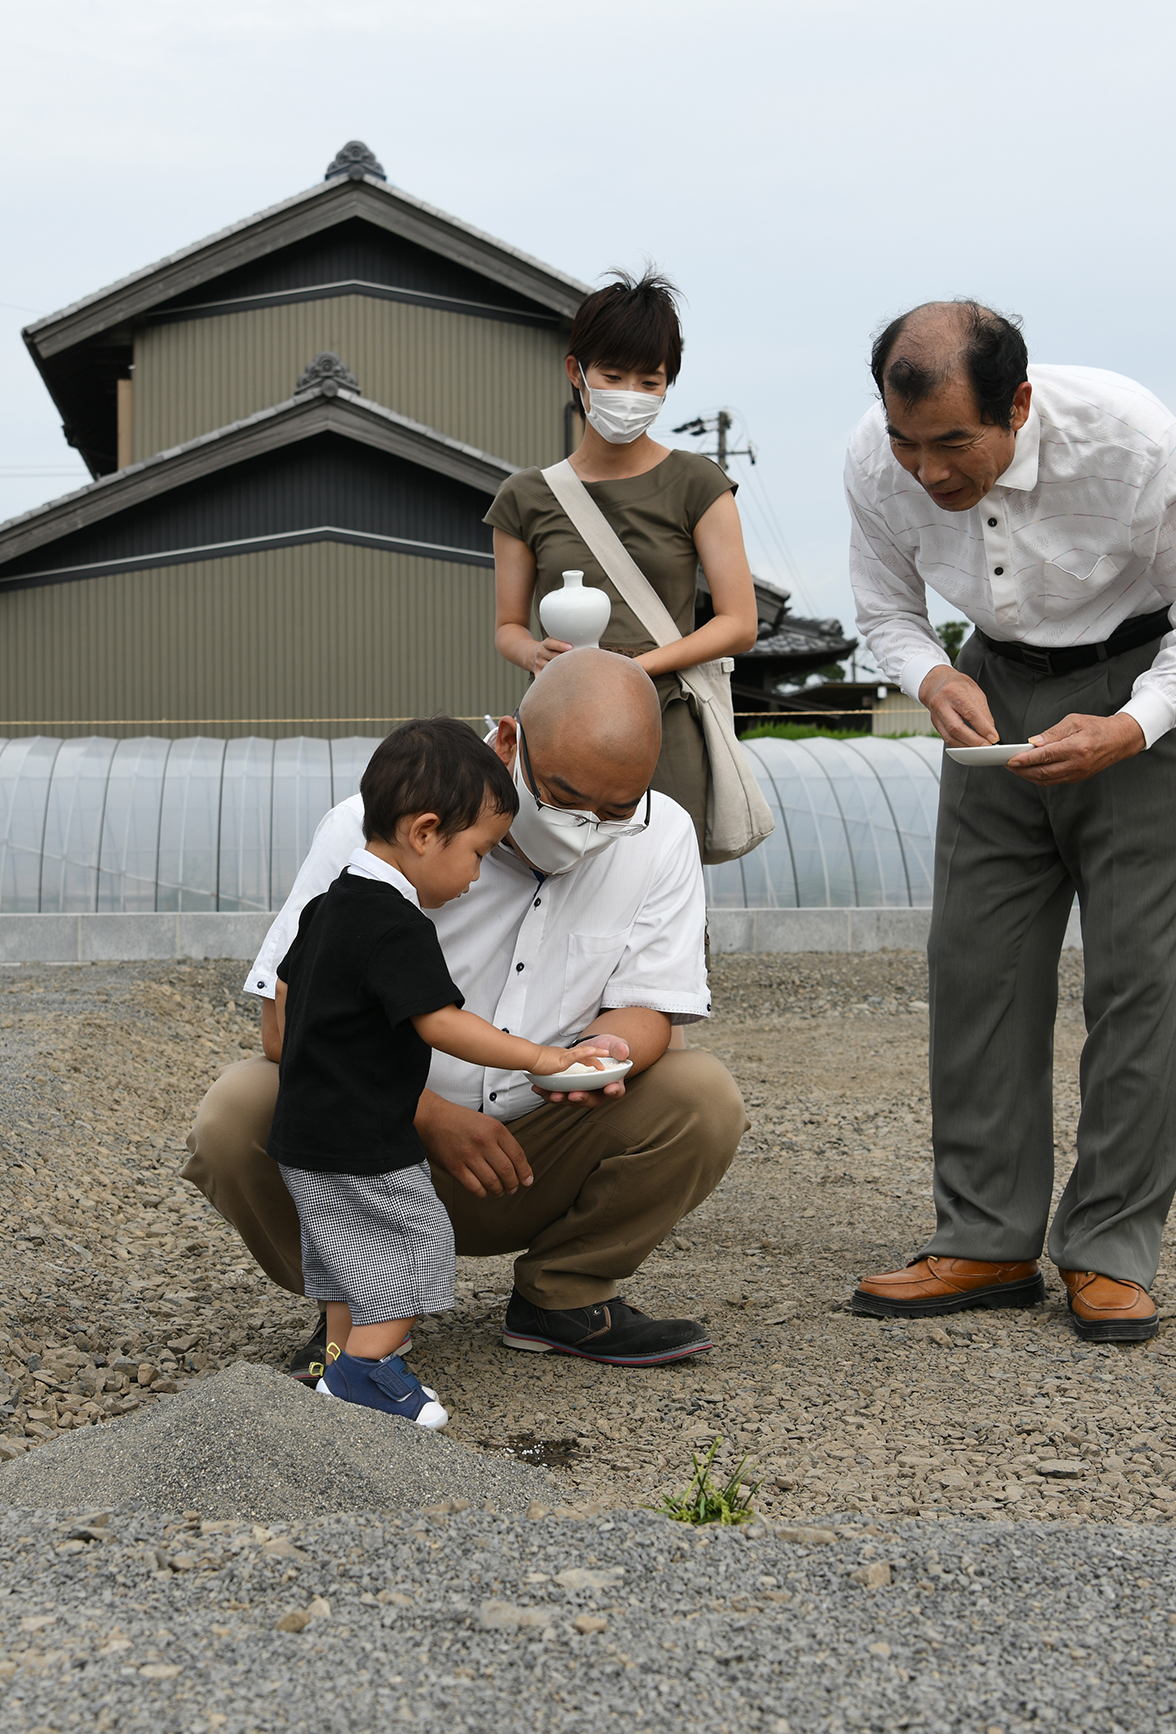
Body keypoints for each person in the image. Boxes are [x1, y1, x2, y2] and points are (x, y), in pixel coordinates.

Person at [844, 301, 1176, 1343]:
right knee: (974, 964)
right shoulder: (874, 457)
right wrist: (929, 672)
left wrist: (1132, 726)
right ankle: (982, 1235)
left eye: (950, 443)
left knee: (1133, 980)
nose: (925, 472)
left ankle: (1109, 1248)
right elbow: (884, 607)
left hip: (1137, 691)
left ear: (1016, 404)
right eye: (904, 441)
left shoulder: (1129, 438)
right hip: (990, 687)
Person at [182, 649, 747, 1374]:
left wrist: (603, 1053)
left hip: (543, 1141)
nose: (586, 829)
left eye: (615, 812)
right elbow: (285, 1023)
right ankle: (359, 1315)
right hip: (377, 1142)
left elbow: (651, 1004)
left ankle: (564, 1293)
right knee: (238, 1111)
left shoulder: (661, 833)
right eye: (566, 797)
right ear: (510, 744)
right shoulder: (372, 832)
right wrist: (427, 1115)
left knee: (701, 1096)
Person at [269, 716, 625, 1427]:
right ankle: (369, 1374)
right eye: (477, 852)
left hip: (306, 1135)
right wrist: (543, 1056)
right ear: (425, 832)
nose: (473, 875)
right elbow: (443, 1023)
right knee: (413, 1245)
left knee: (345, 1263)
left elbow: (285, 999)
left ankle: (336, 1375)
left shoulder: (327, 907)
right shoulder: (395, 924)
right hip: (365, 1139)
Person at [489, 270, 761, 862]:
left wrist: (636, 668)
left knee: (661, 893)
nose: (630, 393)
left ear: (668, 385)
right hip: (559, 723)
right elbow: (508, 627)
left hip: (668, 723)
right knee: (552, 886)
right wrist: (532, 652)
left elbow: (739, 623)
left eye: (650, 380)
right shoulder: (526, 496)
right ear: (576, 372)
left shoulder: (698, 482)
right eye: (612, 376)